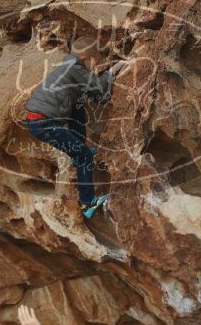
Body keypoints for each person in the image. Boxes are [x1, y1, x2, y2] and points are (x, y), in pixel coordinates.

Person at [24, 35, 130, 219]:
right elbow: (98, 86)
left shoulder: (68, 69)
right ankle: (88, 202)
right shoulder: (75, 69)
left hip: (40, 121)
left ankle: (79, 150)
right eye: (93, 63)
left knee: (78, 105)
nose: (93, 67)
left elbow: (95, 95)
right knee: (85, 156)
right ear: (84, 59)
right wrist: (115, 69)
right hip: (44, 123)